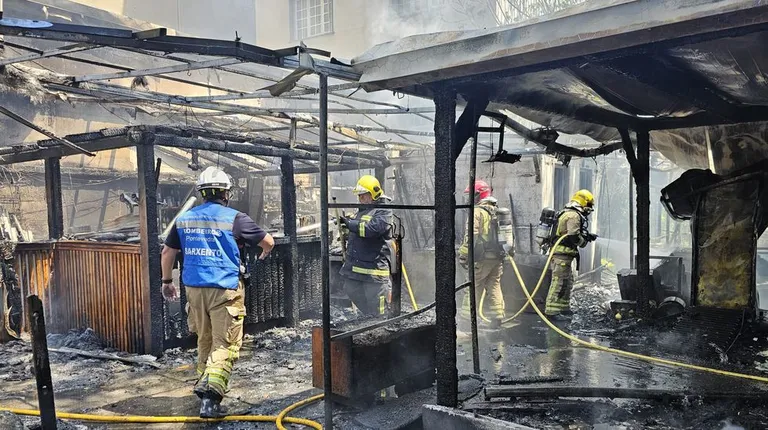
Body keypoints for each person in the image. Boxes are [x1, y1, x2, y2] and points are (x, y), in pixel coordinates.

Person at [161, 166, 274, 418]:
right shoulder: (235, 218)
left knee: (205, 339)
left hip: (194, 289)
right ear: (226, 193)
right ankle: (211, 398)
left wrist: (167, 281)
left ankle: (203, 383)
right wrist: (264, 253)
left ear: (202, 193)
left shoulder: (185, 218)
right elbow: (268, 242)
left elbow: (167, 252)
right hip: (224, 289)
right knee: (226, 344)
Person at [338, 175, 394, 317]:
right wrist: (346, 229)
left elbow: (371, 229)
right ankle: (369, 317)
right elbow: (359, 229)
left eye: (363, 195)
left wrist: (351, 224)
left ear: (373, 193)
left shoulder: (384, 210)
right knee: (350, 289)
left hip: (375, 271)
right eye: (359, 196)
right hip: (357, 268)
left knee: (378, 308)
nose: (360, 199)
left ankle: (381, 328)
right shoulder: (362, 210)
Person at [459, 180, 506, 329]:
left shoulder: (477, 212)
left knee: (473, 288)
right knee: (494, 286)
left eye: (472, 195)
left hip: (482, 258)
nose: (470, 198)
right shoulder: (497, 211)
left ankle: (467, 322)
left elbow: (471, 237)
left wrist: (463, 255)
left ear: (480, 194)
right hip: (497, 258)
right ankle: (497, 318)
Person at [545, 189, 597, 320]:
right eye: (589, 205)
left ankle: (563, 308)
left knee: (567, 282)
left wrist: (587, 235)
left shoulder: (568, 213)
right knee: (559, 282)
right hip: (561, 255)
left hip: (565, 255)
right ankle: (552, 311)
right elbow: (573, 236)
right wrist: (584, 241)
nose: (589, 209)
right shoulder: (573, 215)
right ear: (584, 202)